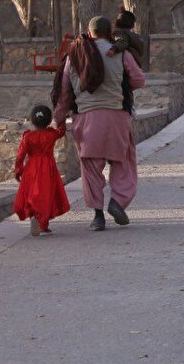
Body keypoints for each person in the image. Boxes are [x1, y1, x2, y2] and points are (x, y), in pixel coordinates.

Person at [53, 15, 146, 230]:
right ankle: (117, 202)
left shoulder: (74, 55)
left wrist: (57, 118)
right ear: (109, 33)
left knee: (91, 169)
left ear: (89, 31)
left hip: (86, 120)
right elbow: (139, 80)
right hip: (116, 118)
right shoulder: (121, 54)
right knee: (123, 162)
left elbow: (65, 93)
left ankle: (97, 216)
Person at [13, 104, 70, 237]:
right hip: (47, 167)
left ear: (32, 120)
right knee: (46, 194)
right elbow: (61, 131)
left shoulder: (28, 137)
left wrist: (18, 170)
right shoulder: (51, 135)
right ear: (49, 121)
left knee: (33, 193)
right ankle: (42, 224)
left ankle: (34, 216)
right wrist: (63, 119)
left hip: (31, 168)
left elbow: (20, 155)